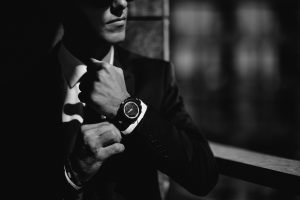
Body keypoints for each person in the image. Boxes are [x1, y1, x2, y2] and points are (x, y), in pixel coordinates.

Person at [1, 0, 218, 199]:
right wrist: (73, 175)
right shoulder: (20, 89)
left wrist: (128, 109)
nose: (121, 3)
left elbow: (203, 175)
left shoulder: (154, 77)